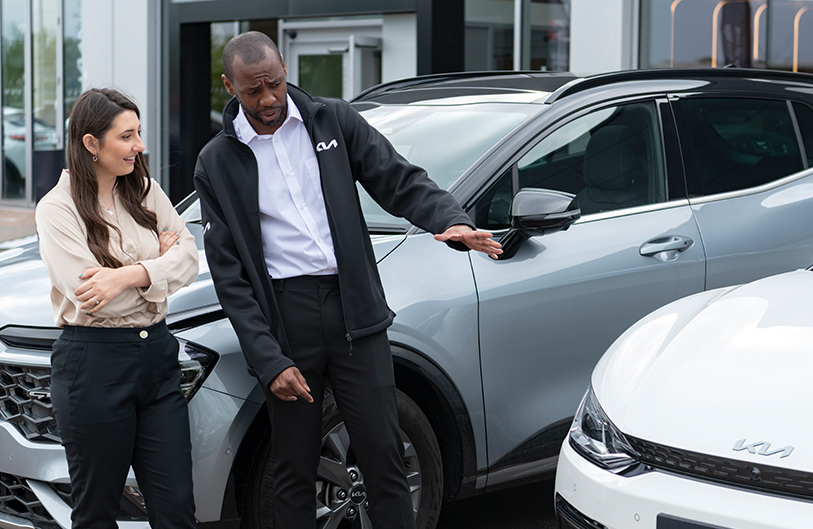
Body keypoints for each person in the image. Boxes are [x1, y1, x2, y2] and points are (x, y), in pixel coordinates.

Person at [193, 31, 501, 529]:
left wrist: (451, 219)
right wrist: (269, 359)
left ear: (285, 69)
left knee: (383, 453)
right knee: (291, 465)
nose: (267, 99)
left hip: (355, 310)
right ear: (230, 85)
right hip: (288, 321)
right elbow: (229, 275)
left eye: (273, 83)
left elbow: (397, 178)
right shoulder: (215, 162)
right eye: (252, 91)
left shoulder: (331, 119)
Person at [35, 88, 200, 529]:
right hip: (93, 364)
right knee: (97, 512)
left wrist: (127, 274)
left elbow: (190, 259)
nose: (140, 146)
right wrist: (159, 269)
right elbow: (88, 294)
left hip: (158, 359)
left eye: (139, 133)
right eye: (127, 136)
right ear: (91, 143)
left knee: (178, 509)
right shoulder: (57, 208)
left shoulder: (146, 191)